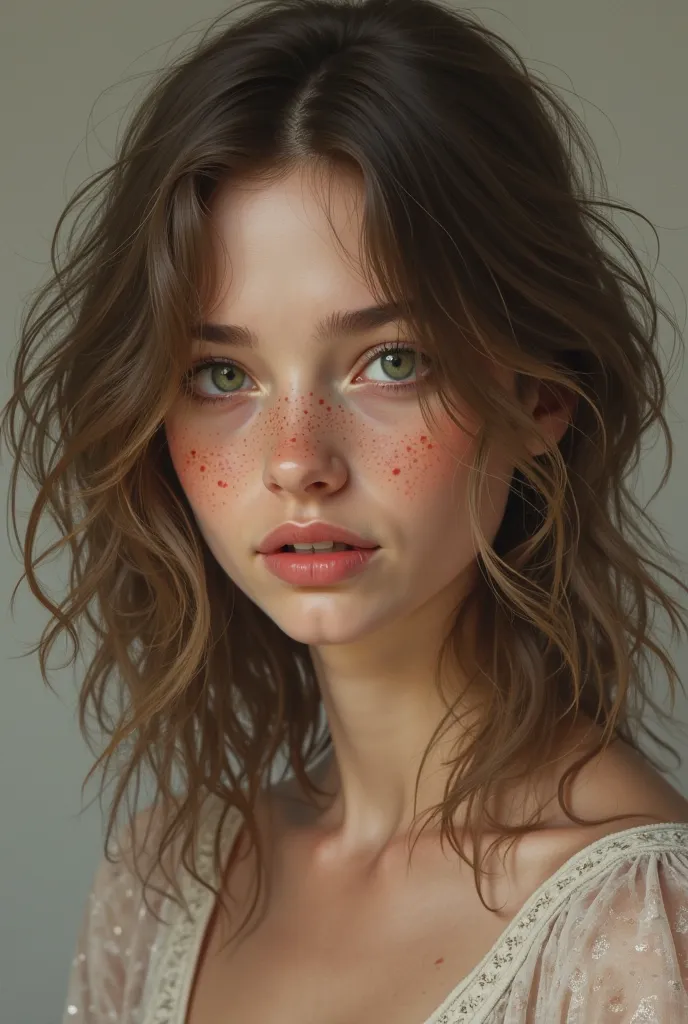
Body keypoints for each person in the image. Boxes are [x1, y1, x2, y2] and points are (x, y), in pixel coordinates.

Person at [3, 0, 688, 1020]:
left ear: (538, 396)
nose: (296, 462)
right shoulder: (158, 887)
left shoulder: (644, 932)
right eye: (222, 373)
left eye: (390, 361)